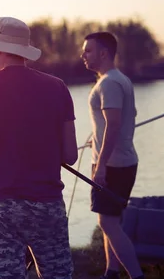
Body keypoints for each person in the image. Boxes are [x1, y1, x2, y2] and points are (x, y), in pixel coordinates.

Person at [0, 16, 78, 279]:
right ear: (23, 51)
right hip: (46, 205)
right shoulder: (57, 87)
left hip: (1, 207)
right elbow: (70, 156)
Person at [81, 32, 143, 279]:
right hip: (121, 162)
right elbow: (128, 117)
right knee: (110, 221)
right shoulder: (119, 80)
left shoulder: (109, 83)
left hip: (114, 165)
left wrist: (102, 165)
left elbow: (114, 125)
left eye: (88, 50)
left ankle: (137, 275)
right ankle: (111, 273)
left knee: (107, 223)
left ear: (103, 53)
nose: (83, 55)